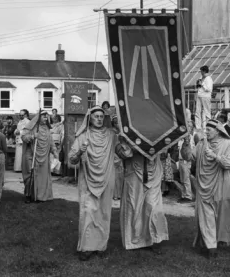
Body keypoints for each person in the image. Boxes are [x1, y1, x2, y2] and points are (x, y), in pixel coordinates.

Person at [68, 105, 118, 261]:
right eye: (96, 116)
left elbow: (122, 149)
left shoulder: (111, 135)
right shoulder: (83, 137)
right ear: (90, 119)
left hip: (107, 178)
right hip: (88, 179)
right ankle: (87, 247)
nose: (99, 119)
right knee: (88, 211)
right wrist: (80, 152)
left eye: (101, 117)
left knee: (103, 212)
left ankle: (100, 246)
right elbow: (71, 160)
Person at [181, 119, 230, 259]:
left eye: (209, 130)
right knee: (206, 215)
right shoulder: (202, 143)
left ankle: (217, 241)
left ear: (218, 130)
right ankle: (211, 247)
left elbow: (228, 164)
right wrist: (185, 144)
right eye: (205, 129)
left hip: (220, 185)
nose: (206, 132)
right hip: (202, 186)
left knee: (220, 216)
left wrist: (215, 157)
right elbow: (189, 157)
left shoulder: (227, 144)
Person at [119, 138, 169, 253]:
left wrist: (155, 146)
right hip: (134, 173)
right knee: (134, 207)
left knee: (153, 206)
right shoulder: (125, 133)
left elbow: (164, 152)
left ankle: (155, 239)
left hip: (153, 171)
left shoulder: (157, 131)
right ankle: (135, 240)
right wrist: (136, 147)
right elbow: (123, 154)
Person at [21, 110, 57, 203]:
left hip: (44, 157)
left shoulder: (47, 129)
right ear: (39, 117)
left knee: (42, 177)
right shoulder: (32, 127)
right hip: (32, 155)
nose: (46, 118)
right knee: (30, 175)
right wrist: (33, 136)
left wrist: (54, 151)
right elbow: (24, 137)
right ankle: (29, 195)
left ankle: (41, 196)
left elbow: (51, 141)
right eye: (44, 116)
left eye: (46, 116)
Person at [195, 65, 213, 130]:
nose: (201, 72)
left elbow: (209, 89)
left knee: (207, 112)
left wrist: (202, 84)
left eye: (201, 71)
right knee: (197, 112)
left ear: (204, 71)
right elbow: (199, 88)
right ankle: (198, 127)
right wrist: (198, 85)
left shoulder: (208, 78)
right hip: (199, 95)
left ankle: (208, 127)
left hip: (205, 96)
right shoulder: (202, 78)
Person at [111, 115, 124, 200]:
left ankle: (120, 193)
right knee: (115, 176)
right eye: (116, 122)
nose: (118, 124)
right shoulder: (112, 132)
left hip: (120, 155)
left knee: (120, 175)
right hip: (114, 155)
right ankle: (115, 194)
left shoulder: (121, 132)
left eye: (119, 122)